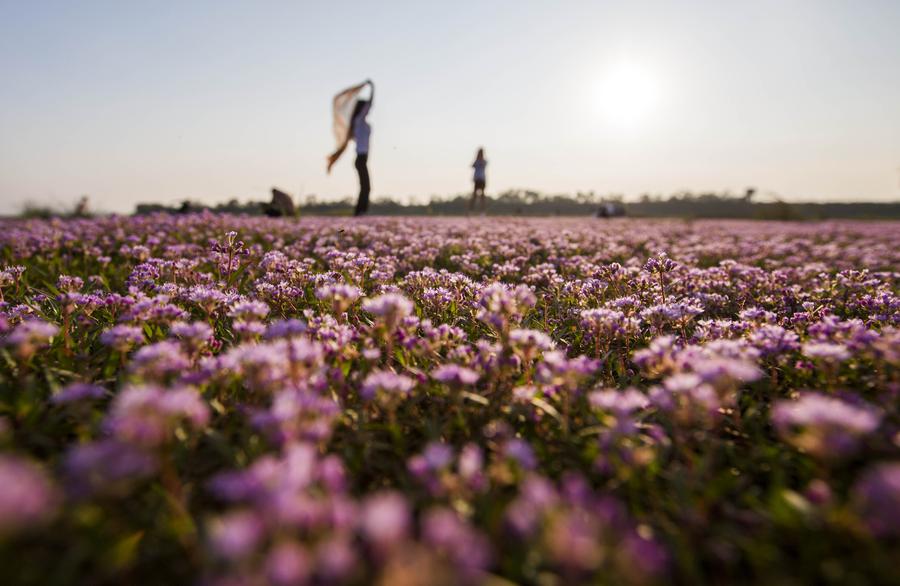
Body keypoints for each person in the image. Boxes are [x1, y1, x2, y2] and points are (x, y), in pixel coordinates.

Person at [327, 79, 374, 216]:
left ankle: (360, 212)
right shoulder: (359, 122)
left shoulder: (359, 124)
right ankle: (360, 213)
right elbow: (370, 104)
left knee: (365, 186)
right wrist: (372, 87)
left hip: (362, 159)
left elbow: (368, 106)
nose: (369, 110)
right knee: (366, 186)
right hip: (361, 158)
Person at [470, 147, 487, 213]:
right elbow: (472, 166)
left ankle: (483, 211)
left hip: (482, 179)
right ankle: (471, 210)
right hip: (477, 180)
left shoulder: (484, 161)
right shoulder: (476, 161)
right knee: (474, 196)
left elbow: (484, 164)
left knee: (482, 196)